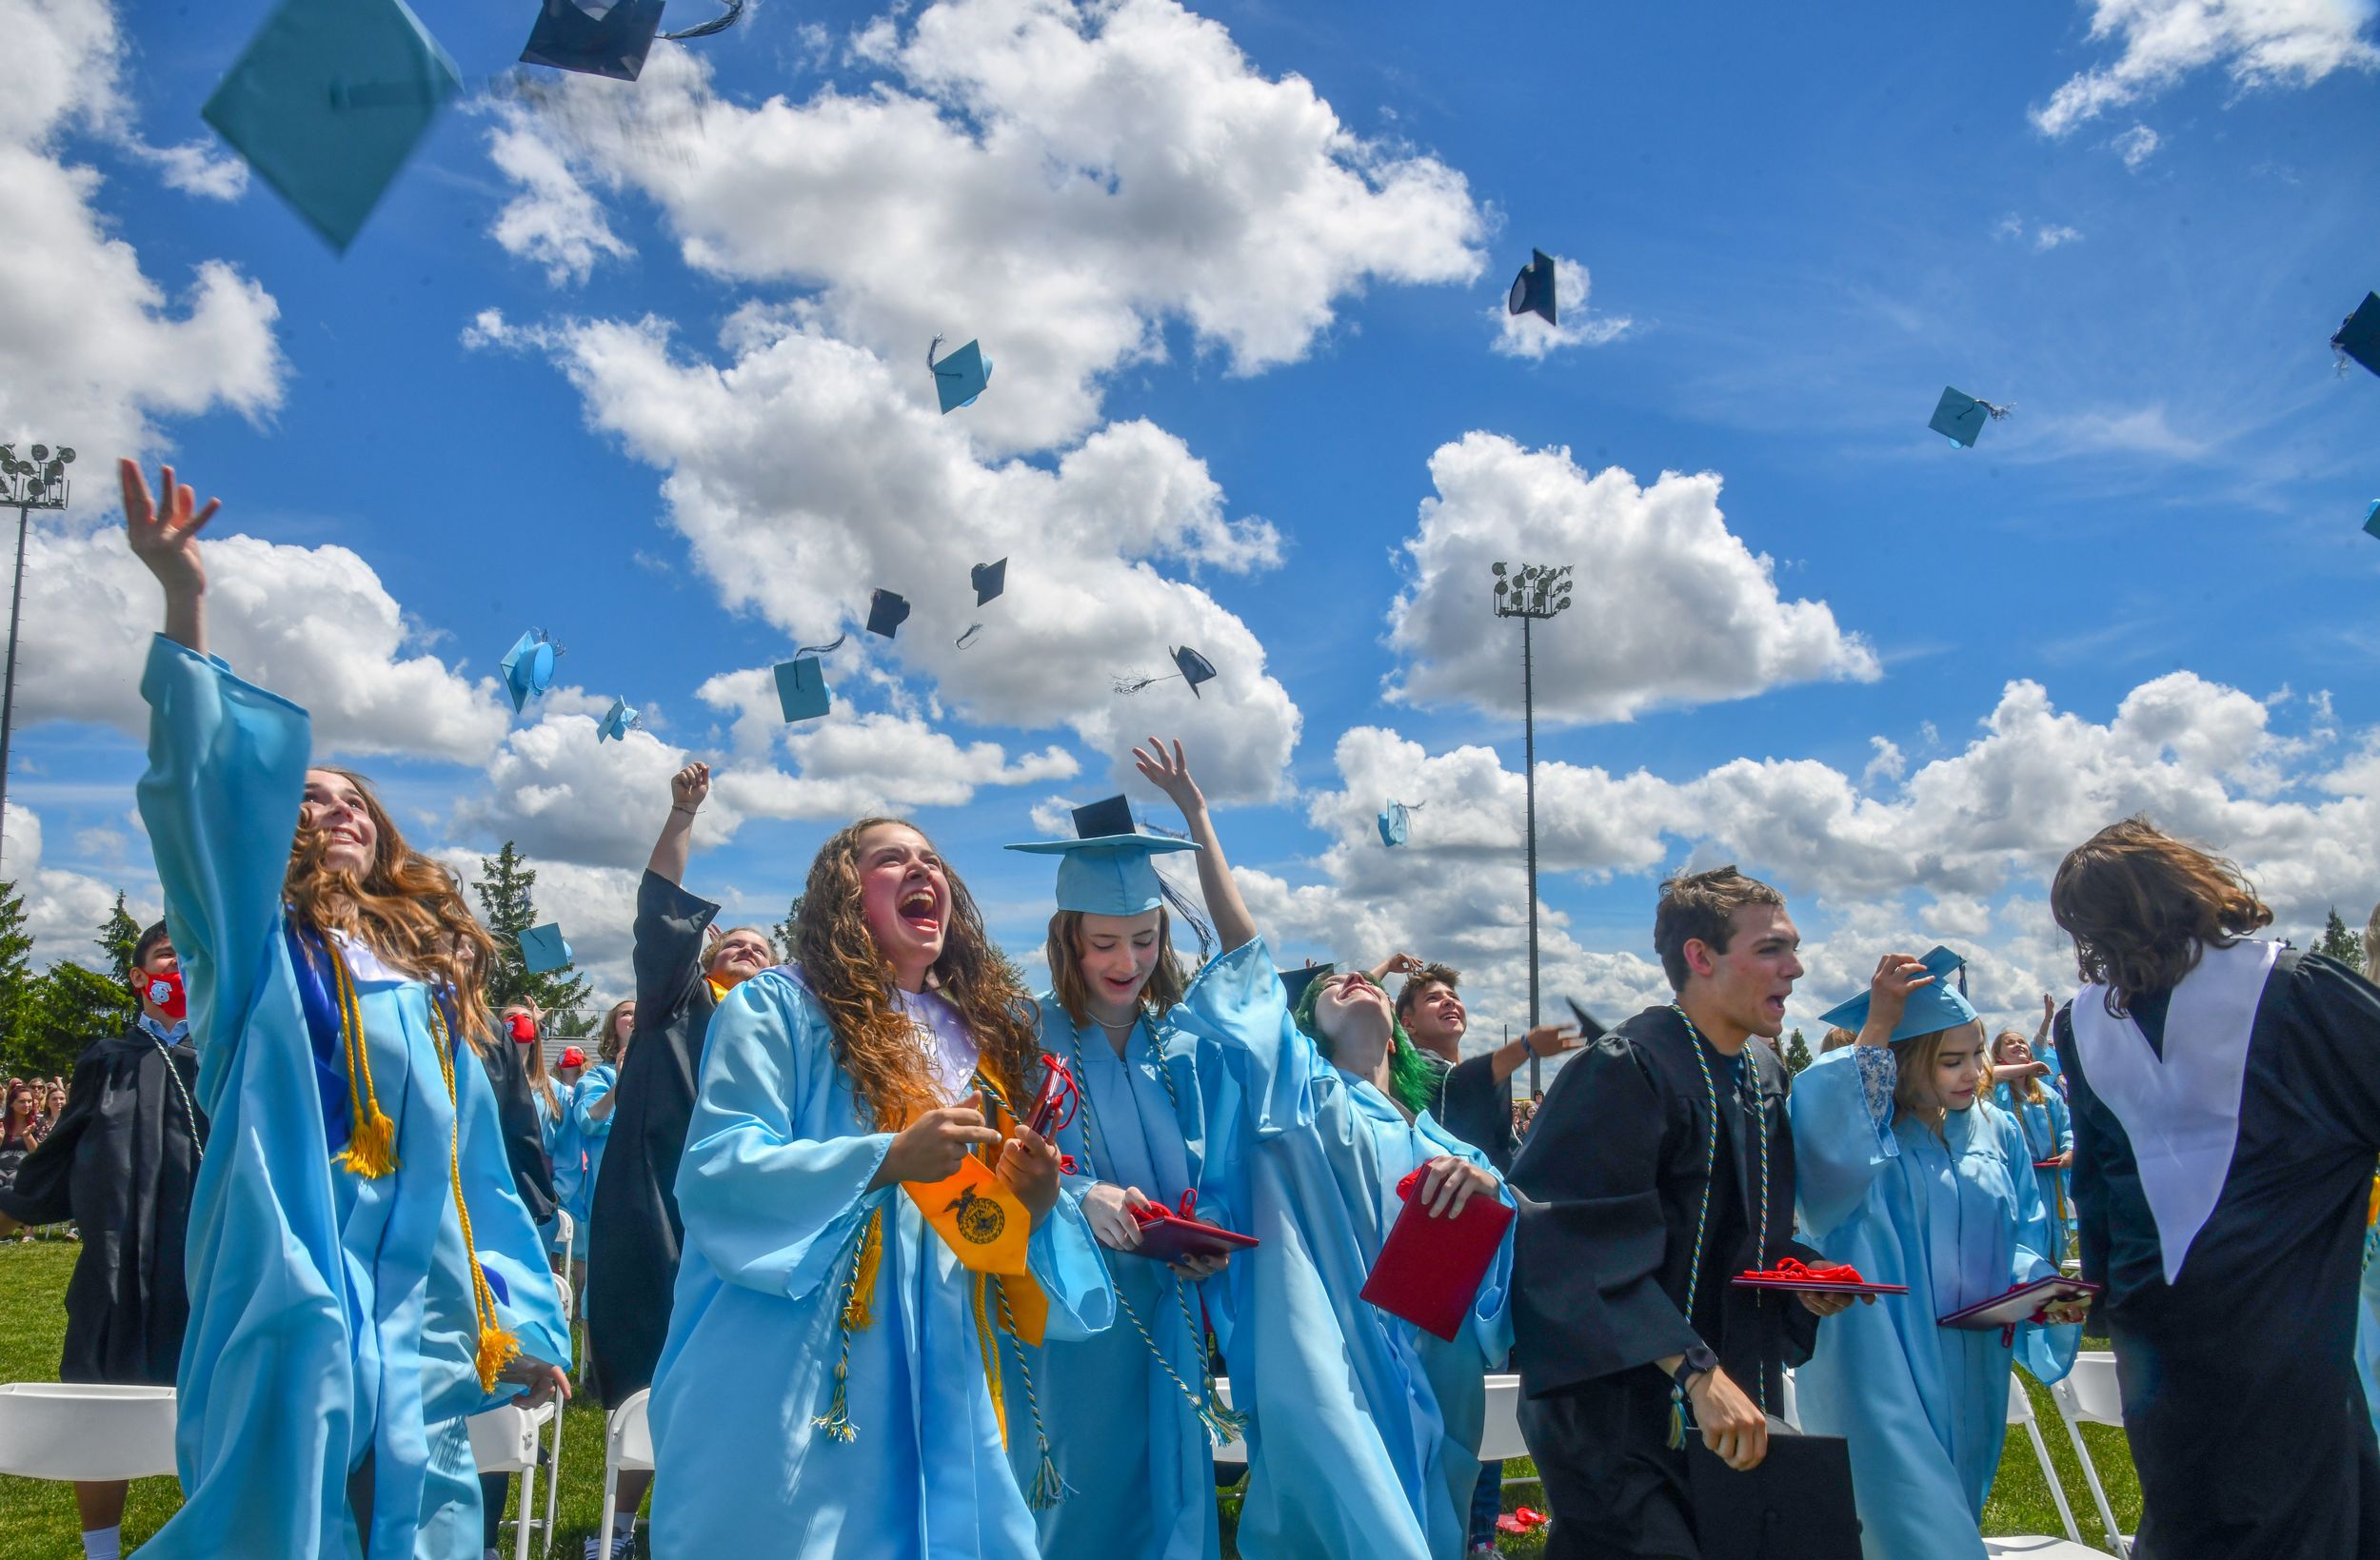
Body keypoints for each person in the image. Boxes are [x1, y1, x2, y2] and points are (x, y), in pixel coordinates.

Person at [121, 459, 568, 1559]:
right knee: (276, 1511)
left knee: (419, 1515)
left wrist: (520, 1314)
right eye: (310, 796)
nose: (332, 809)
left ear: (386, 834)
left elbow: (480, 1174)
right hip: (288, 1272)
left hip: (422, 1300)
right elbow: (197, 803)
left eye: (354, 801)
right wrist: (185, 599)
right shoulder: (247, 946)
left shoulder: (430, 987)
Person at [644, 817, 1111, 1558]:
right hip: (805, 1354)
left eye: (932, 860)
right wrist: (885, 1158)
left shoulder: (971, 1043)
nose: (922, 871)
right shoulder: (780, 1007)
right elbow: (721, 1167)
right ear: (846, 893)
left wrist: (1033, 1199)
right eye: (891, 860)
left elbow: (976, 1227)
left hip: (945, 1359)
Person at [1154, 795, 1514, 1559]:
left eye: (1367, 980)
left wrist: (1486, 1195)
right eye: (1328, 989)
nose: (1353, 978)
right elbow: (1247, 957)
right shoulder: (1303, 1100)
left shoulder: (1447, 1145)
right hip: (1329, 1373)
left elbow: (1502, 1293)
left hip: (1434, 1391)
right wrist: (1199, 817)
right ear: (1306, 1030)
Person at [2051, 817, 2380, 1559]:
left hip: (2157, 1331)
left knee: (2196, 1522)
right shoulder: (2292, 989)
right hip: (2282, 1318)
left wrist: (2101, 1292)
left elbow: (2097, 1183)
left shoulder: (2083, 1024)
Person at [1507, 865, 1853, 1560]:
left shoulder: (1761, 1076)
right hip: (1619, 1413)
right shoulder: (1626, 1067)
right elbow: (1570, 1245)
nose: (1797, 966)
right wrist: (1696, 1371)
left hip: (1727, 1404)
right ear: (1700, 956)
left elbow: (1744, 1236)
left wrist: (1801, 1278)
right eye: (1771, 949)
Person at [1001, 741, 1245, 1560]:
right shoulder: (1021, 1036)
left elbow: (1218, 1171)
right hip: (1067, 1315)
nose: (1127, 962)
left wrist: (1209, 1229)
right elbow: (993, 1169)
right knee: (1078, 1497)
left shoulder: (1183, 1041)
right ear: (1068, 940)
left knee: (1170, 1496)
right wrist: (1080, 1198)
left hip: (1172, 1308)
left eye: (1143, 940)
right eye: (1105, 942)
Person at [1792, 950, 2080, 1560]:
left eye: (1977, 1055)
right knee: (1912, 1526)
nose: (1972, 1073)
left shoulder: (1995, 1131)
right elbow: (1825, 1178)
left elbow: (2025, 1228)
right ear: (1895, 1066)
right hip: (1879, 1354)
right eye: (1951, 1060)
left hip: (1973, 1351)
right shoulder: (1866, 1130)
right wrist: (1879, 1022)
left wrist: (2036, 1288)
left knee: (1958, 1506)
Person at [583, 762, 775, 1560]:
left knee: (741, 1376)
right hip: (659, 1205)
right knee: (649, 1372)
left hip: (746, 1222)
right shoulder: (674, 1006)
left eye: (763, 947)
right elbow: (659, 912)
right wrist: (681, 813)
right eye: (732, 942)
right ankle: (621, 1525)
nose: (746, 949)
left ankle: (724, 1523)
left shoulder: (785, 1035)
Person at [0, 919, 205, 1560]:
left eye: (193, 957)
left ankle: (215, 1538)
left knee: (216, 1415)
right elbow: (51, 1169)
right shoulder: (105, 1061)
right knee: (97, 1406)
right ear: (140, 977)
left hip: (207, 1268)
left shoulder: (232, 1058)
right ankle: (101, 1551)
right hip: (113, 1270)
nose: (182, 968)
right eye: (170, 956)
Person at [1366, 956, 1581, 1176]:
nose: (1449, 1001)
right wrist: (1524, 1047)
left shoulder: (1467, 1072)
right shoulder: (1413, 1068)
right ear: (1408, 1024)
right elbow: (1458, 1082)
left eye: (1453, 996)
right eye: (1432, 998)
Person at [1989, 1009, 2073, 1262]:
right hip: (2013, 1178)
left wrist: (2069, 1149)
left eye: (2021, 1041)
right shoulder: (1995, 1092)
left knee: (2053, 1236)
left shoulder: (2048, 1094)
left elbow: (2067, 1126)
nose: (2018, 1045)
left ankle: (2052, 1289)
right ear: (1998, 1056)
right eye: (2010, 1042)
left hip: (2048, 1178)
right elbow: (1980, 1078)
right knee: (2021, 1238)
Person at [565, 1002, 635, 1297]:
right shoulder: (597, 1077)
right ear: (611, 1028)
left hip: (654, 1183)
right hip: (611, 1188)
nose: (636, 1017)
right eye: (627, 1013)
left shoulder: (665, 1074)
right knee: (602, 1284)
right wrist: (622, 1082)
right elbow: (588, 1120)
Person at [0, 1081, 45, 1193]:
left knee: (12, 1182)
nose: (27, 1105)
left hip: (24, 1169)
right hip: (2, 1168)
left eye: (29, 1101)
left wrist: (27, 1136)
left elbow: (38, 1155)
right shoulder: (2, 1123)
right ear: (11, 1103)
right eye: (22, 1101)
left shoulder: (38, 1123)